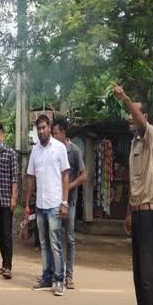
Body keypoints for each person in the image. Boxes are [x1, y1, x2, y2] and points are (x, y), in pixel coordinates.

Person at [114, 84, 153, 305]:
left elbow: (140, 118)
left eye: (133, 115)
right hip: (138, 212)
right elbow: (133, 183)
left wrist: (125, 98)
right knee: (137, 272)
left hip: (151, 214)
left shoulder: (151, 135)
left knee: (148, 273)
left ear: (143, 117)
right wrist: (128, 213)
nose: (129, 119)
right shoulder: (134, 143)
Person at [26, 115, 70, 297]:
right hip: (40, 205)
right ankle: (46, 276)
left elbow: (66, 176)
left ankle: (59, 280)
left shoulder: (59, 148)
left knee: (55, 243)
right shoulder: (35, 150)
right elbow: (30, 177)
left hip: (54, 204)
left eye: (44, 127)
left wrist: (65, 202)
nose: (42, 131)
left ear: (49, 127)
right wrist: (28, 204)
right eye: (39, 129)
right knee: (43, 243)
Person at [51, 118, 87, 289]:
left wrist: (68, 186)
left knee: (70, 238)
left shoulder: (74, 151)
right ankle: (56, 272)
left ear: (64, 132)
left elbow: (84, 175)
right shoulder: (52, 151)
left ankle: (69, 275)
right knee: (54, 237)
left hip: (70, 201)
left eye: (56, 133)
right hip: (54, 200)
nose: (53, 136)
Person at [0, 123, 19, 279]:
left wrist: (14, 198)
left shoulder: (11, 154)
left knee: (7, 234)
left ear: (3, 136)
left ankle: (8, 267)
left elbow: (14, 178)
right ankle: (3, 263)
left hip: (7, 202)